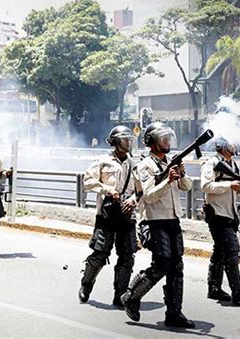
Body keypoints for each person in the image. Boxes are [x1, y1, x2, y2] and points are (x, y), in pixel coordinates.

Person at [121, 122, 195, 328]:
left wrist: (182, 174)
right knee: (162, 263)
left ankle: (174, 312)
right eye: (163, 138)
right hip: (154, 221)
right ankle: (131, 296)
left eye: (168, 138)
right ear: (152, 142)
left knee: (176, 265)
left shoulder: (171, 161)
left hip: (172, 219)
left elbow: (187, 187)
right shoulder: (145, 166)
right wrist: (167, 180)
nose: (167, 142)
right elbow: (150, 196)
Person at [79, 126, 138, 307]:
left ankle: (120, 295)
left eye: (130, 139)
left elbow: (141, 190)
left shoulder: (134, 164)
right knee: (100, 254)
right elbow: (87, 181)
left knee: (127, 256)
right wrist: (107, 189)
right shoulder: (103, 161)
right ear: (115, 141)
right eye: (124, 139)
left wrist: (134, 199)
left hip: (127, 216)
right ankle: (86, 284)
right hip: (107, 215)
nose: (128, 143)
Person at [201, 137, 240, 305]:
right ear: (223, 147)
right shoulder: (211, 163)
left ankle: (214, 288)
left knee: (220, 251)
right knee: (232, 252)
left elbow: (237, 188)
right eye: (232, 144)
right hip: (217, 214)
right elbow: (205, 186)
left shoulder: (233, 164)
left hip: (230, 213)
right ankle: (238, 291)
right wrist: (229, 186)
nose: (235, 146)